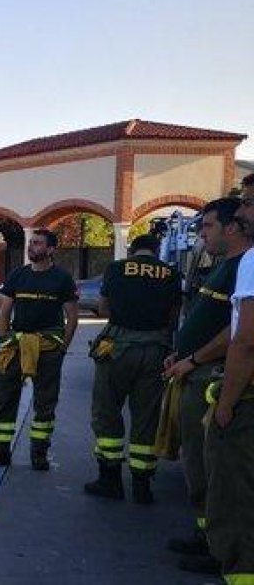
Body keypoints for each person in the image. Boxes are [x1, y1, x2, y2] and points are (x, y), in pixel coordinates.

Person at [161, 197, 247, 574]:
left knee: (216, 469)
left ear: (231, 227)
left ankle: (222, 548)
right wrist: (180, 352)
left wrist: (193, 360)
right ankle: (209, 537)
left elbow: (239, 334)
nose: (201, 235)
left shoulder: (244, 267)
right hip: (192, 371)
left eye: (208, 227)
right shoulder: (226, 267)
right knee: (199, 462)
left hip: (209, 377)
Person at [83, 234, 180, 503]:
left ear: (132, 250)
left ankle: (110, 480)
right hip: (156, 349)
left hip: (118, 349)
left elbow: (103, 309)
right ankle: (142, 487)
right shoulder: (171, 273)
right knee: (146, 417)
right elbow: (174, 315)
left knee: (107, 411)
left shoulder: (116, 269)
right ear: (157, 250)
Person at [0, 229, 78, 470]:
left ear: (51, 249)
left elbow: (72, 317)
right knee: (3, 397)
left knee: (45, 402)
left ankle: (39, 454)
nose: (32, 247)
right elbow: (6, 309)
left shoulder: (62, 279)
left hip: (48, 348)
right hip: (17, 346)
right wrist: (4, 339)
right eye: (31, 243)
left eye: (38, 244)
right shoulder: (18, 275)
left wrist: (62, 349)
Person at [203, 175, 254, 585]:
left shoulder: (251, 262)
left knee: (235, 489)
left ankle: (236, 569)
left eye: (249, 203)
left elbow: (245, 341)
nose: (242, 211)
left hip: (243, 395)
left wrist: (226, 404)